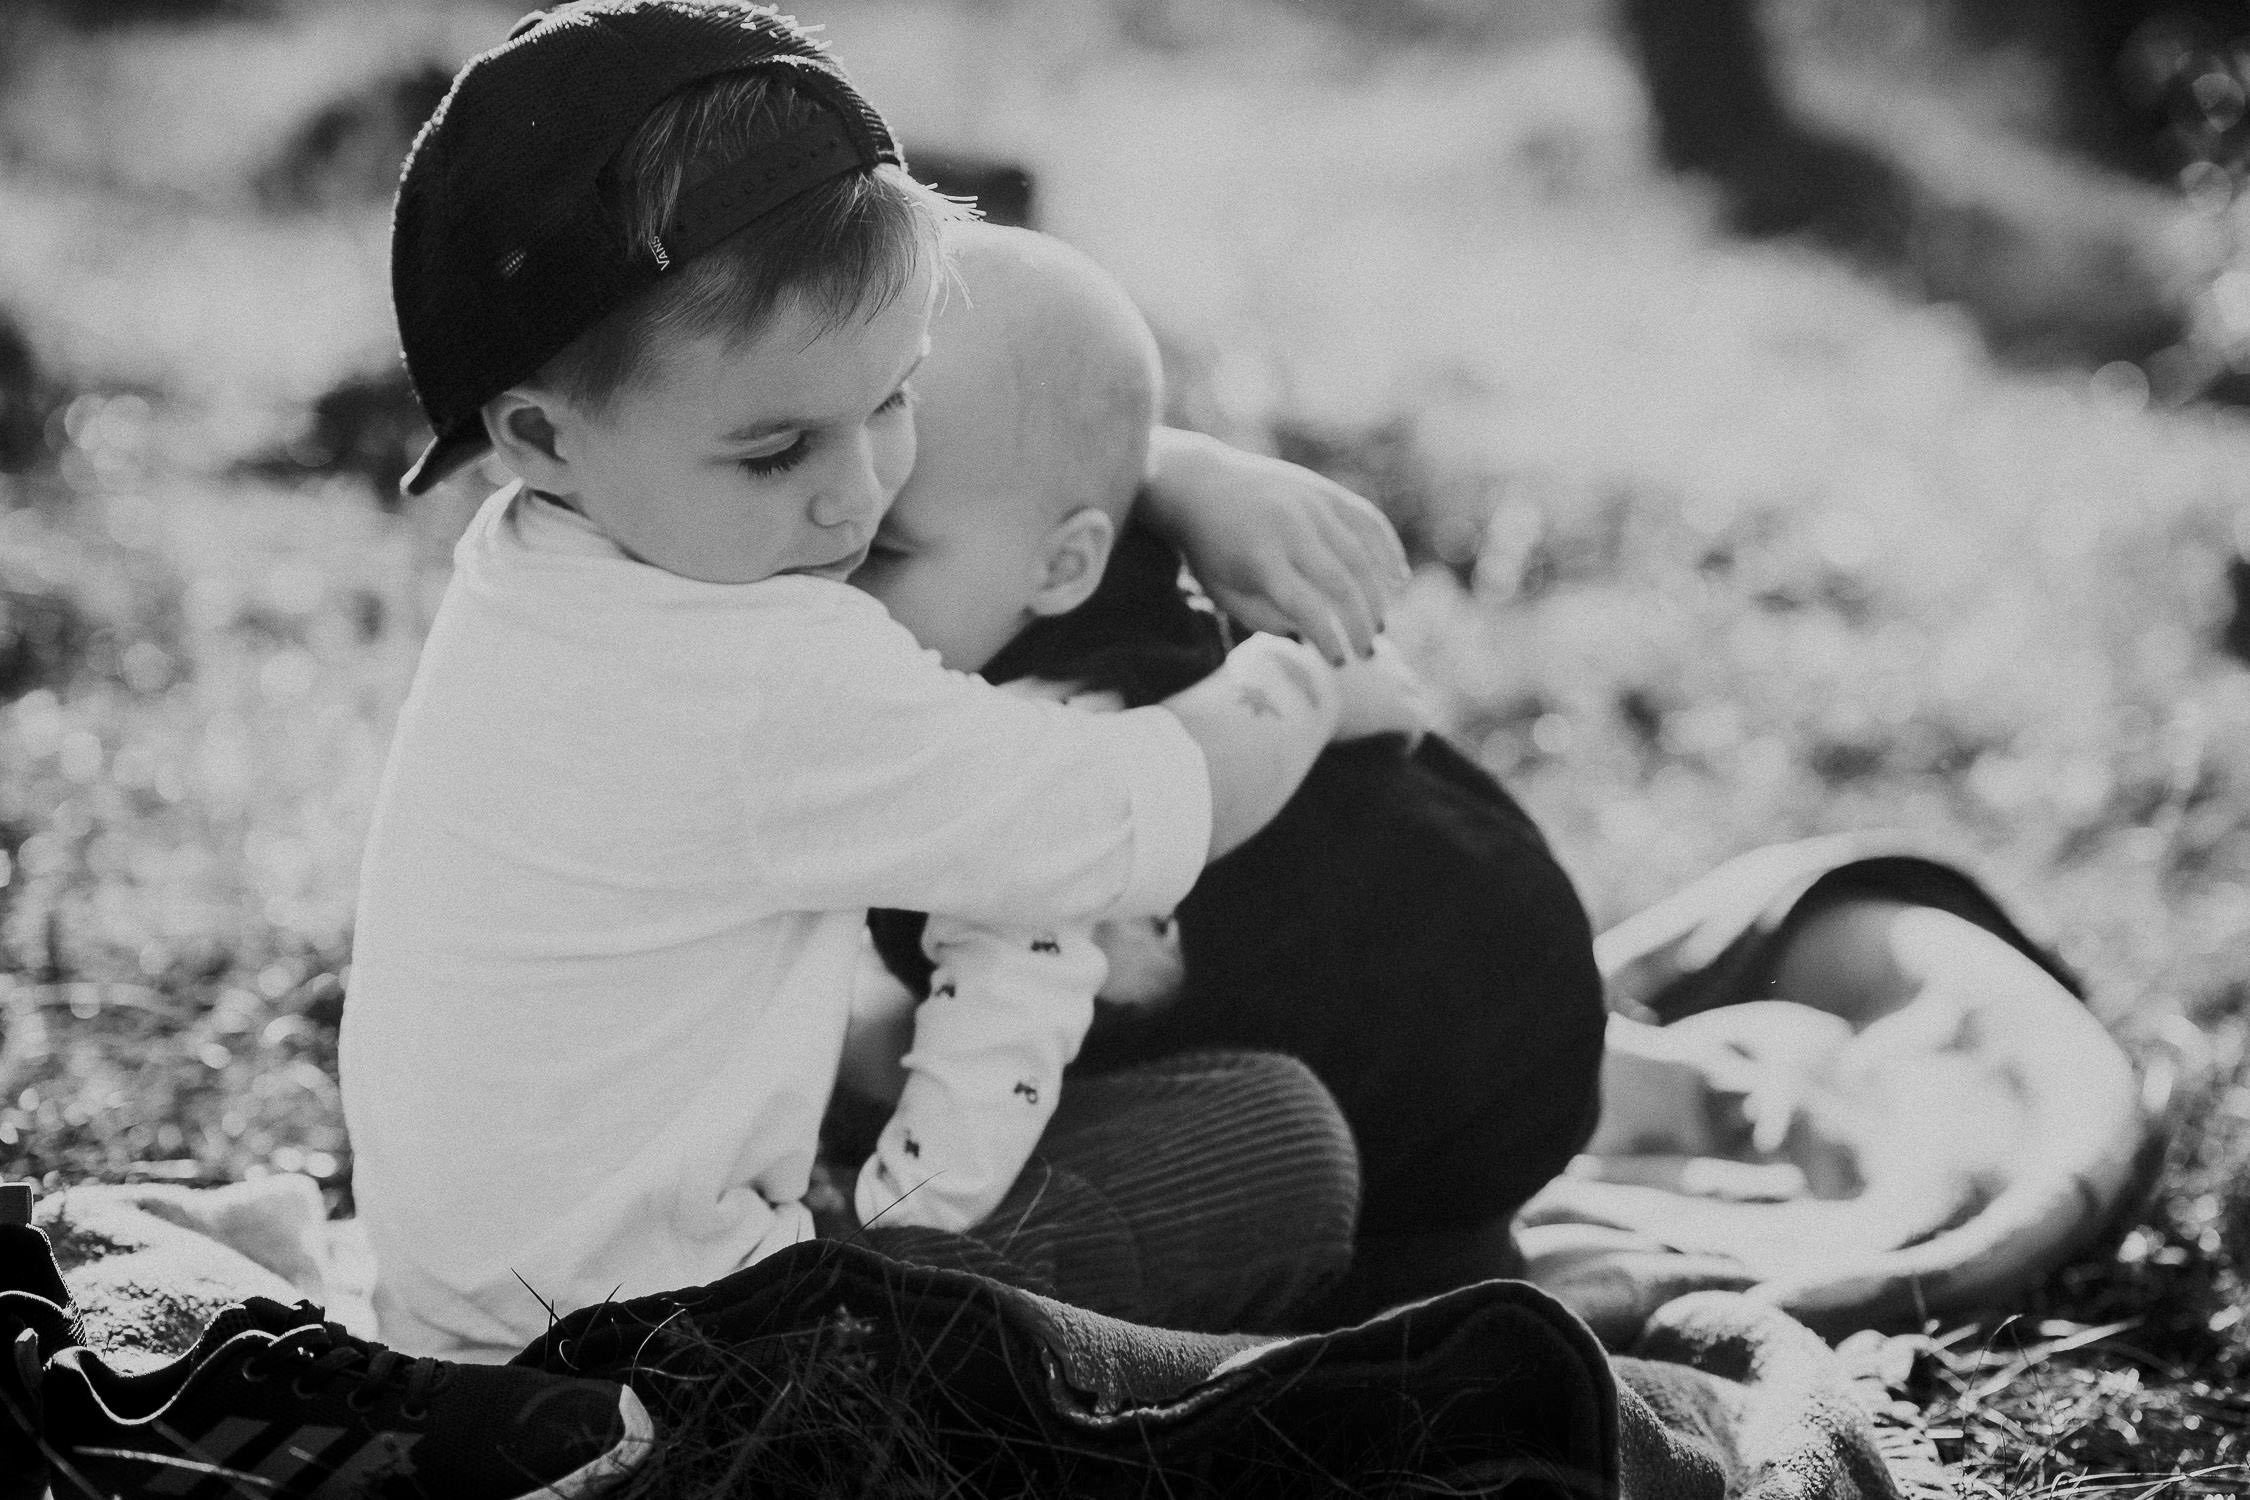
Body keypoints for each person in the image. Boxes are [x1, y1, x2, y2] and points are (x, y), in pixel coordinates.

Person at [343, 1, 1422, 1361]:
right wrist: (1305, 681)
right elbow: (1099, 825)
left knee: (903, 1031)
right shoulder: (763, 665)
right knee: (1274, 1144)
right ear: (543, 432)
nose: (857, 497)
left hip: (473, 1306)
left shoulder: (536, 569)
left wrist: (1176, 469)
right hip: (696, 1353)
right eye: (773, 452)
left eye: (895, 396)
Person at [837, 221, 1610, 1322]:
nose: (829, 570)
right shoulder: (1048, 564)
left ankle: (1395, 1253)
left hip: (1443, 1072)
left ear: (1066, 561)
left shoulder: (1038, 757)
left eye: (883, 553)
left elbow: (983, 1082)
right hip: (1505, 994)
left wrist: (898, 1226)